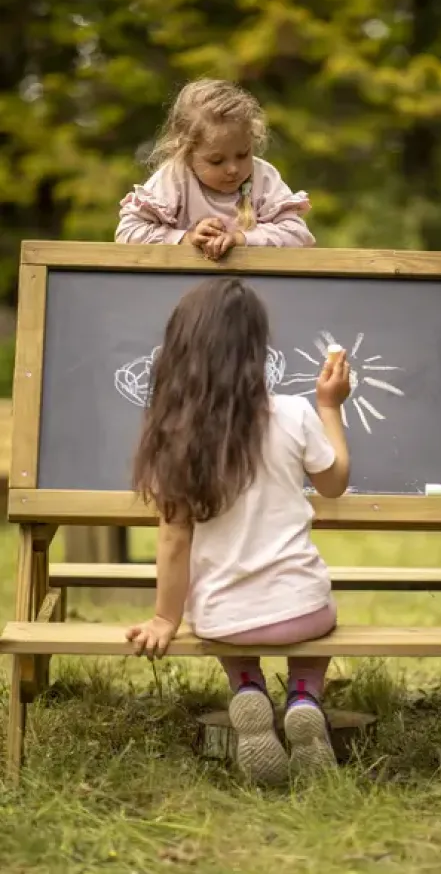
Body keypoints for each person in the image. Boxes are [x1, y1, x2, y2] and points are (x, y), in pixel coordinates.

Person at [126, 277, 350, 786]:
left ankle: (247, 686)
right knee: (323, 612)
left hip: (225, 619)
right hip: (302, 610)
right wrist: (331, 407)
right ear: (256, 350)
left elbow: (173, 541)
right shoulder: (293, 412)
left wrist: (165, 618)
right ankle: (303, 694)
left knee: (230, 617)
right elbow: (334, 482)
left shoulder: (172, 435)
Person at [115, 78, 315, 256]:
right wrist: (187, 238)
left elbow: (299, 237)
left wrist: (241, 239)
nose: (233, 169)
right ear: (186, 152)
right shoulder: (174, 178)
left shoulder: (264, 178)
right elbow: (127, 233)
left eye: (243, 154)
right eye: (217, 161)